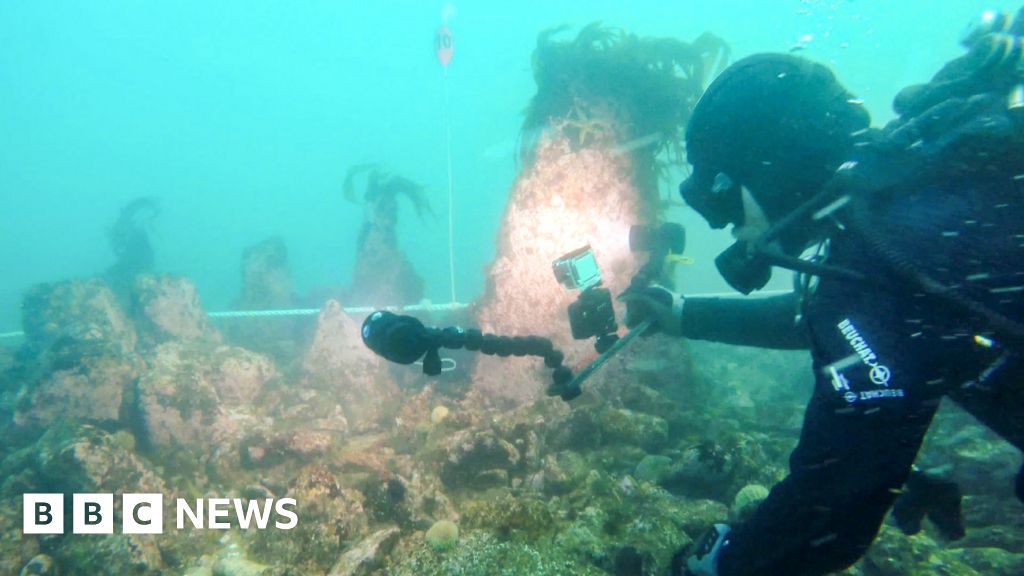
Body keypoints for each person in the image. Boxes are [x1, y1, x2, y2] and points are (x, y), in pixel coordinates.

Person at [621, 9, 1024, 576]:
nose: (725, 225)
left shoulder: (891, 251)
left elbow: (829, 508)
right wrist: (687, 315)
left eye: (727, 195)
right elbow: (835, 320)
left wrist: (717, 564)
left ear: (772, 173)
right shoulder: (905, 214)